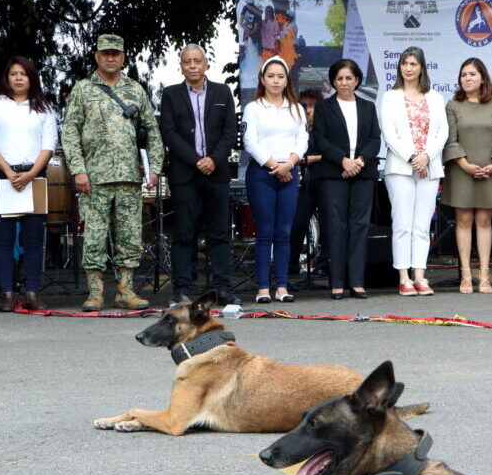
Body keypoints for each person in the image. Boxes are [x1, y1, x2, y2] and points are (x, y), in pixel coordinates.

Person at [62, 34, 164, 311]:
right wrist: (78, 171)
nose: (110, 58)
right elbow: (70, 130)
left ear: (123, 57)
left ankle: (125, 290)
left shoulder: (135, 89)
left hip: (129, 177)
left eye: (115, 54)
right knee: (94, 236)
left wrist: (154, 168)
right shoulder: (83, 89)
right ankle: (95, 293)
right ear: (96, 56)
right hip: (94, 178)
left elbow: (152, 131)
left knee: (130, 235)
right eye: (105, 53)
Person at [159, 44, 239, 307]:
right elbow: (169, 133)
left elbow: (230, 131)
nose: (192, 66)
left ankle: (222, 288)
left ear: (206, 63)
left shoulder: (222, 92)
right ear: (180, 66)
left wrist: (213, 159)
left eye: (197, 61)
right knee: (184, 232)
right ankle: (182, 288)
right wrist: (196, 160)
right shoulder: (171, 94)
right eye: (187, 62)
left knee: (219, 233)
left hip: (217, 174)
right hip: (185, 175)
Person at [0, 56, 57, 311]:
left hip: (34, 176)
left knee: (33, 238)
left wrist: (32, 172)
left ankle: (32, 292)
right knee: (3, 237)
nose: (19, 78)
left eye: (24, 73)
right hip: (2, 175)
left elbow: (49, 144)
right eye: (14, 74)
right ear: (7, 78)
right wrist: (8, 171)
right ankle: (7, 294)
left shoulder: (43, 107)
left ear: (32, 77)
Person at [380, 46, 448, 297]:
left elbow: (442, 132)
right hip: (400, 167)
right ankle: (403, 277)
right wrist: (411, 156)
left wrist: (426, 156)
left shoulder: (435, 98)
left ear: (422, 67)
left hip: (429, 166)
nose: (408, 68)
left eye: (413, 64)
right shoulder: (391, 96)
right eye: (404, 63)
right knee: (402, 223)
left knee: (421, 225)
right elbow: (389, 134)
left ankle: (420, 275)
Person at [311, 59, 381, 300]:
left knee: (360, 226)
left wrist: (358, 162)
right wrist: (343, 161)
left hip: (363, 173)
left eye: (348, 78)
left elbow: (375, 140)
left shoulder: (368, 107)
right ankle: (337, 282)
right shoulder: (324, 107)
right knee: (336, 226)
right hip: (334, 173)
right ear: (333, 81)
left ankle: (358, 282)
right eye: (339, 78)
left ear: (357, 80)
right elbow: (320, 139)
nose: (344, 82)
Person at [242, 55, 308, 303]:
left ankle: (281, 286)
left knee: (283, 232)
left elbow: (302, 140)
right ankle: (262, 288)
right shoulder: (254, 108)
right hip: (263, 174)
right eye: (271, 76)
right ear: (262, 79)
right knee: (265, 232)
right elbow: (250, 142)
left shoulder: (296, 108)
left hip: (290, 173)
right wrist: (274, 165)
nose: (276, 81)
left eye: (281, 76)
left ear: (287, 79)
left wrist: (289, 163)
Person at [442, 57, 492, 294]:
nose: (467, 78)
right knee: (463, 221)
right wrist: (465, 164)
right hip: (462, 170)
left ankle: (484, 275)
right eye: (463, 75)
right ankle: (465, 275)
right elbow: (450, 140)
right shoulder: (453, 105)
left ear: (483, 77)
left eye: (472, 74)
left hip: (490, 169)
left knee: (483, 221)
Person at [287, 89, 328, 279]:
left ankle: (324, 264)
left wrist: (309, 159)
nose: (308, 111)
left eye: (312, 107)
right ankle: (291, 265)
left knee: (329, 226)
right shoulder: (295, 130)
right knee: (297, 223)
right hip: (305, 183)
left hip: (326, 182)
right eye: (305, 107)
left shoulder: (324, 128)